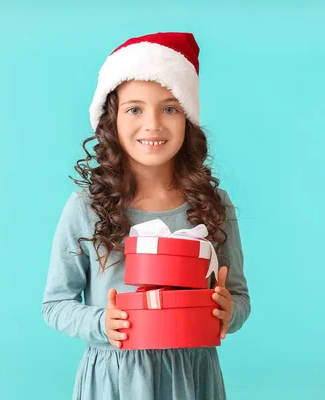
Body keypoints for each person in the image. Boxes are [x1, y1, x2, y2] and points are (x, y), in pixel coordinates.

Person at [41, 31, 251, 400]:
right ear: (112, 121)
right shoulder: (87, 208)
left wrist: (226, 312)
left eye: (170, 108)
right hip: (115, 379)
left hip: (191, 376)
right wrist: (102, 323)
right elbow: (55, 304)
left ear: (187, 118)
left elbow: (238, 298)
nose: (152, 124)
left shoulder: (214, 203)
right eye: (134, 109)